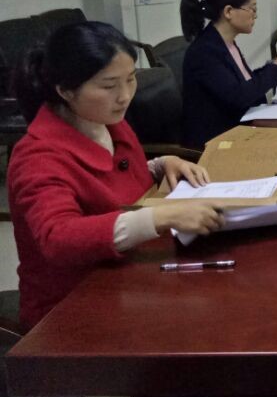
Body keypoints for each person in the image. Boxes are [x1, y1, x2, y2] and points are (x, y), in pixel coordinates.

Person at [7, 22, 224, 330]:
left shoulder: (107, 121)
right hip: (69, 308)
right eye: (109, 86)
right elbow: (58, 237)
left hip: (130, 276)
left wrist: (161, 165)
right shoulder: (37, 155)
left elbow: (108, 183)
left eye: (131, 79)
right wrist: (161, 216)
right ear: (65, 90)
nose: (125, 96)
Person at [180, 0, 277, 148]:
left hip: (238, 130)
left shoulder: (225, 43)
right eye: (252, 9)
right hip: (218, 144)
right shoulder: (204, 52)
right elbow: (239, 97)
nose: (255, 16)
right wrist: (276, 69)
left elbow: (245, 85)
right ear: (228, 12)